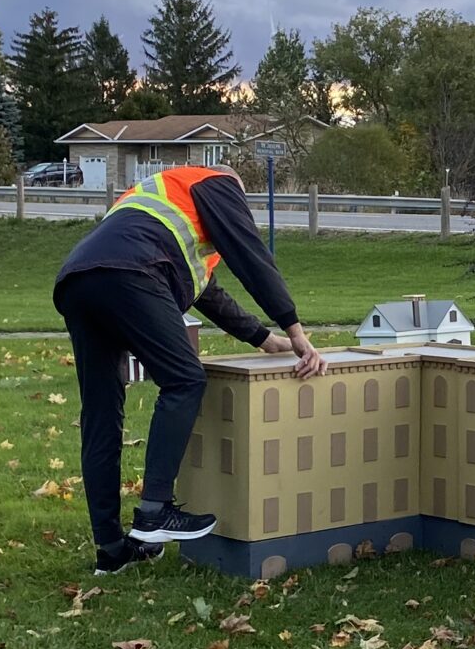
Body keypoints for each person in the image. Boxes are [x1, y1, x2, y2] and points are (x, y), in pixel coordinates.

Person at [54, 164, 326, 572]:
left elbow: (210, 296)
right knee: (184, 379)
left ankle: (111, 550)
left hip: (78, 281)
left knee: (101, 414)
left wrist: (267, 340)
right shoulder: (217, 182)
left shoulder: (168, 212)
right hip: (131, 273)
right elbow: (250, 254)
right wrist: (296, 331)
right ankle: (154, 511)